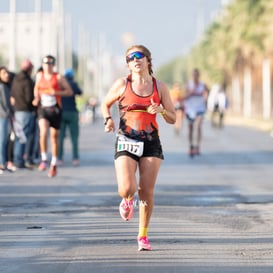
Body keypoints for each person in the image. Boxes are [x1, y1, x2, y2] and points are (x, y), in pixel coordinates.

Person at [101, 45, 176, 251]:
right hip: (126, 138)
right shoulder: (121, 84)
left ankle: (142, 236)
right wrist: (108, 119)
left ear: (148, 60)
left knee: (146, 192)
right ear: (128, 64)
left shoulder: (159, 87)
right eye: (130, 57)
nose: (135, 60)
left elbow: (173, 118)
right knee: (127, 188)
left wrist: (160, 110)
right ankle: (126, 200)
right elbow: (104, 104)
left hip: (151, 141)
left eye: (139, 56)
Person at [32, 55, 73, 178]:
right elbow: (36, 88)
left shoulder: (58, 77)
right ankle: (44, 159)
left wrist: (56, 92)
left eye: (49, 63)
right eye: (45, 63)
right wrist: (36, 98)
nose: (47, 65)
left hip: (55, 109)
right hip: (43, 109)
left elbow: (69, 91)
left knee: (54, 138)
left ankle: (54, 162)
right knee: (43, 132)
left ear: (53, 65)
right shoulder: (39, 76)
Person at [11, 59, 36, 168]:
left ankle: (18, 158)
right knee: (23, 136)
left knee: (18, 135)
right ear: (30, 69)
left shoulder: (15, 79)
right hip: (26, 111)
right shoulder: (27, 81)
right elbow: (29, 97)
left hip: (17, 110)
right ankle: (19, 160)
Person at [58, 68, 82, 166]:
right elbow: (80, 92)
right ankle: (75, 158)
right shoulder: (73, 84)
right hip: (72, 113)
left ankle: (59, 158)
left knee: (60, 137)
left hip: (61, 113)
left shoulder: (60, 85)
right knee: (74, 137)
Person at [184, 68, 209, 157]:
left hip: (200, 109)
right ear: (192, 75)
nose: (195, 76)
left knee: (198, 126)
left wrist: (205, 97)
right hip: (190, 109)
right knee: (190, 128)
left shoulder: (202, 85)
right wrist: (191, 92)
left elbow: (206, 93)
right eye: (194, 75)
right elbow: (184, 96)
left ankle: (198, 146)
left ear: (199, 75)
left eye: (197, 75)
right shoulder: (189, 84)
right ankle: (191, 146)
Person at [0, 66, 13, 174]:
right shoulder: (2, 87)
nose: (7, 75)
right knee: (2, 141)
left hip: (4, 116)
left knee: (4, 140)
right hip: (3, 116)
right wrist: (10, 114)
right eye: (4, 73)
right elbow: (6, 104)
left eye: (7, 73)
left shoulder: (5, 86)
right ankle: (1, 163)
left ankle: (3, 162)